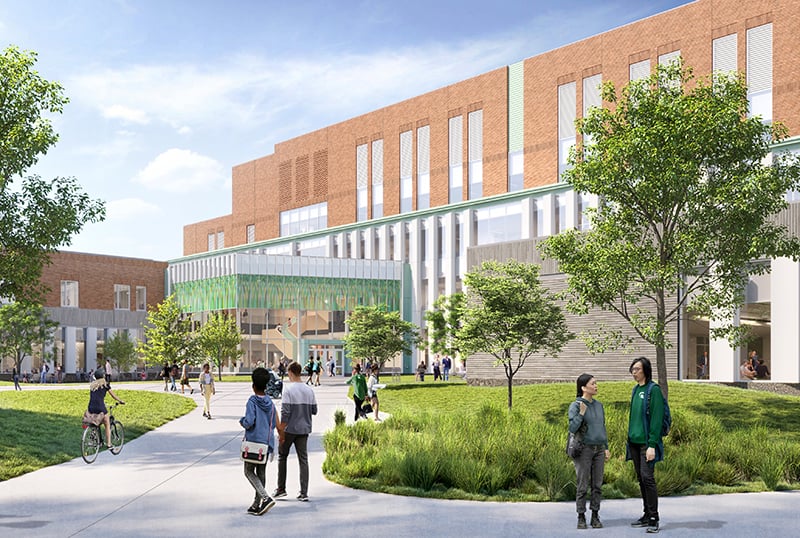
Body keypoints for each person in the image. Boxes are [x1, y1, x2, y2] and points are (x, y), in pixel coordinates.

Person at [627, 357, 665, 534]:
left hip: (646, 445)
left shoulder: (653, 390)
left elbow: (656, 420)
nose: (634, 372)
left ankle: (653, 517)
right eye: (632, 370)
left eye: (637, 369)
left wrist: (652, 445)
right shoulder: (636, 390)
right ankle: (645, 514)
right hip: (634, 443)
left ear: (646, 370)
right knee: (641, 479)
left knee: (648, 478)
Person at [568, 373, 610, 529]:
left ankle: (595, 516)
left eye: (596, 383)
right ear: (584, 387)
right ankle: (581, 516)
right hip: (584, 449)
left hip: (599, 449)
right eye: (593, 384)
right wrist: (581, 413)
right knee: (582, 484)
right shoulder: (576, 405)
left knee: (597, 485)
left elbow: (602, 427)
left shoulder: (599, 405)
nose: (596, 386)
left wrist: (606, 447)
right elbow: (572, 428)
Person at [273, 361, 318, 502]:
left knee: (282, 456)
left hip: (289, 429)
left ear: (291, 372)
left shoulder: (288, 389)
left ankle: (281, 489)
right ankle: (304, 492)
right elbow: (314, 411)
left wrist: (281, 430)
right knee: (303, 460)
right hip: (304, 429)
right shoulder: (309, 390)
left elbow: (285, 412)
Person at [239, 367, 279, 516]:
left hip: (253, 443)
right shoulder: (270, 402)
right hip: (266, 443)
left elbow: (249, 421)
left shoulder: (252, 401)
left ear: (253, 385)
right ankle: (257, 504)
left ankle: (265, 498)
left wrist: (242, 421)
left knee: (248, 471)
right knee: (261, 472)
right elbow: (273, 423)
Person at [87, 368, 125, 449]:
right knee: (107, 424)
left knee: (96, 422)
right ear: (103, 376)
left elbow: (96, 397)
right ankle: (109, 444)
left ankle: (93, 438)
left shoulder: (93, 385)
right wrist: (120, 401)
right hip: (100, 407)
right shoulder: (105, 384)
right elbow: (113, 395)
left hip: (91, 407)